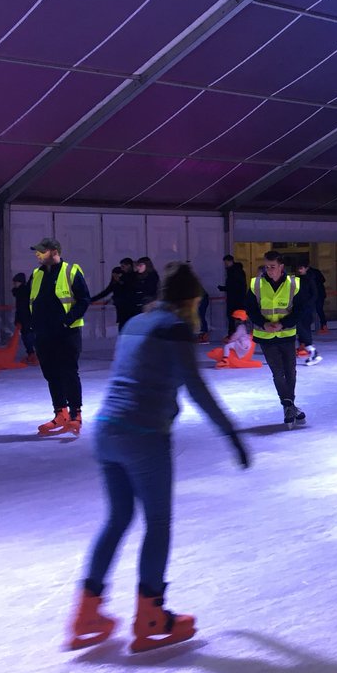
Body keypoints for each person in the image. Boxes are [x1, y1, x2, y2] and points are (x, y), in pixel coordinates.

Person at [67, 261, 250, 653]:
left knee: (117, 519)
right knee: (158, 523)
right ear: (189, 300)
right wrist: (233, 435)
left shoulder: (134, 323)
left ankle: (86, 614)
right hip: (144, 436)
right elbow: (197, 389)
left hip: (106, 430)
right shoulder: (176, 329)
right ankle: (151, 616)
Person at [30, 238, 92, 435]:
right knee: (51, 375)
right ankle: (60, 413)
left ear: (54, 251)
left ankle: (75, 415)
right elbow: (32, 301)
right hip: (43, 334)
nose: (37, 254)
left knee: (69, 373)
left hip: (67, 334)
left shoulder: (71, 271)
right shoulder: (37, 274)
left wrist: (67, 321)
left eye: (41, 251)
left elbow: (84, 300)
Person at [244, 250, 309, 428]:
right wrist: (263, 323)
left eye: (272, 267)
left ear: (281, 267)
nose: (269, 270)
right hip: (265, 336)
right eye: (267, 266)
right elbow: (250, 308)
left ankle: (289, 405)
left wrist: (283, 324)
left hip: (287, 334)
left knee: (291, 372)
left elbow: (300, 309)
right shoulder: (255, 284)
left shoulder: (293, 283)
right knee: (278, 372)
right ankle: (289, 406)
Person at [92, 266, 139, 332]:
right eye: (114, 275)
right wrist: (91, 300)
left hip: (127, 309)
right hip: (121, 309)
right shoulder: (114, 283)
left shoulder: (126, 282)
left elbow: (127, 292)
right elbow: (105, 292)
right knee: (123, 326)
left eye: (117, 275)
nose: (115, 277)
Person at [218, 254, 247, 339]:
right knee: (238, 317)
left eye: (226, 263)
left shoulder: (233, 272)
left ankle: (233, 335)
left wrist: (224, 288)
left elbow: (234, 286)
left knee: (233, 317)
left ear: (230, 261)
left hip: (235, 299)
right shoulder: (237, 271)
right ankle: (237, 334)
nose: (225, 265)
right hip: (238, 299)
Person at [12, 272, 37, 364]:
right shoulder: (21, 292)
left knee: (28, 337)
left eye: (16, 282)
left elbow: (22, 309)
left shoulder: (23, 293)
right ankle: (32, 355)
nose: (14, 284)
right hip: (25, 319)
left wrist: (19, 319)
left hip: (27, 319)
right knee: (27, 337)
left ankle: (33, 355)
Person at [294, 262, 317, 359]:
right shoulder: (296, 279)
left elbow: (315, 294)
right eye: (298, 268)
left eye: (301, 268)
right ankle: (303, 346)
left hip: (307, 308)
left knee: (305, 327)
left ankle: (308, 347)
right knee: (300, 328)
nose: (299, 270)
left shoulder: (310, 279)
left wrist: (308, 304)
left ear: (306, 268)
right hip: (298, 307)